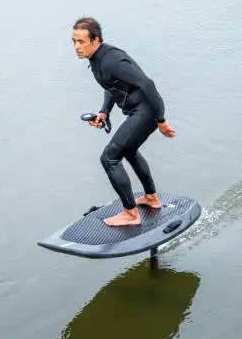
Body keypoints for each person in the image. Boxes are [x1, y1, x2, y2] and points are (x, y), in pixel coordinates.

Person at [72, 17, 175, 227]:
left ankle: (130, 214)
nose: (76, 47)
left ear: (95, 40)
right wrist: (104, 112)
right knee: (128, 151)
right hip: (139, 112)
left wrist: (160, 119)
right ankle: (152, 198)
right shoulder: (96, 60)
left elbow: (147, 84)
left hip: (147, 111)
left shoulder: (112, 59)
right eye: (73, 41)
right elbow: (111, 87)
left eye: (81, 42)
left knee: (109, 158)